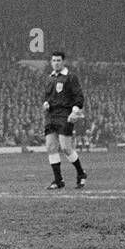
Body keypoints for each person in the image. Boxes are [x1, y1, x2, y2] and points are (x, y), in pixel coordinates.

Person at [41, 50, 88, 189]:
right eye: (54, 60)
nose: (56, 63)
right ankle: (58, 180)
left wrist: (75, 111)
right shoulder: (49, 78)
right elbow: (47, 97)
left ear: (63, 62)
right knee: (50, 146)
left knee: (66, 147)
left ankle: (81, 173)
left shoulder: (70, 77)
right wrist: (46, 103)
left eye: (58, 60)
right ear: (51, 62)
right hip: (51, 115)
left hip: (65, 115)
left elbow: (79, 97)